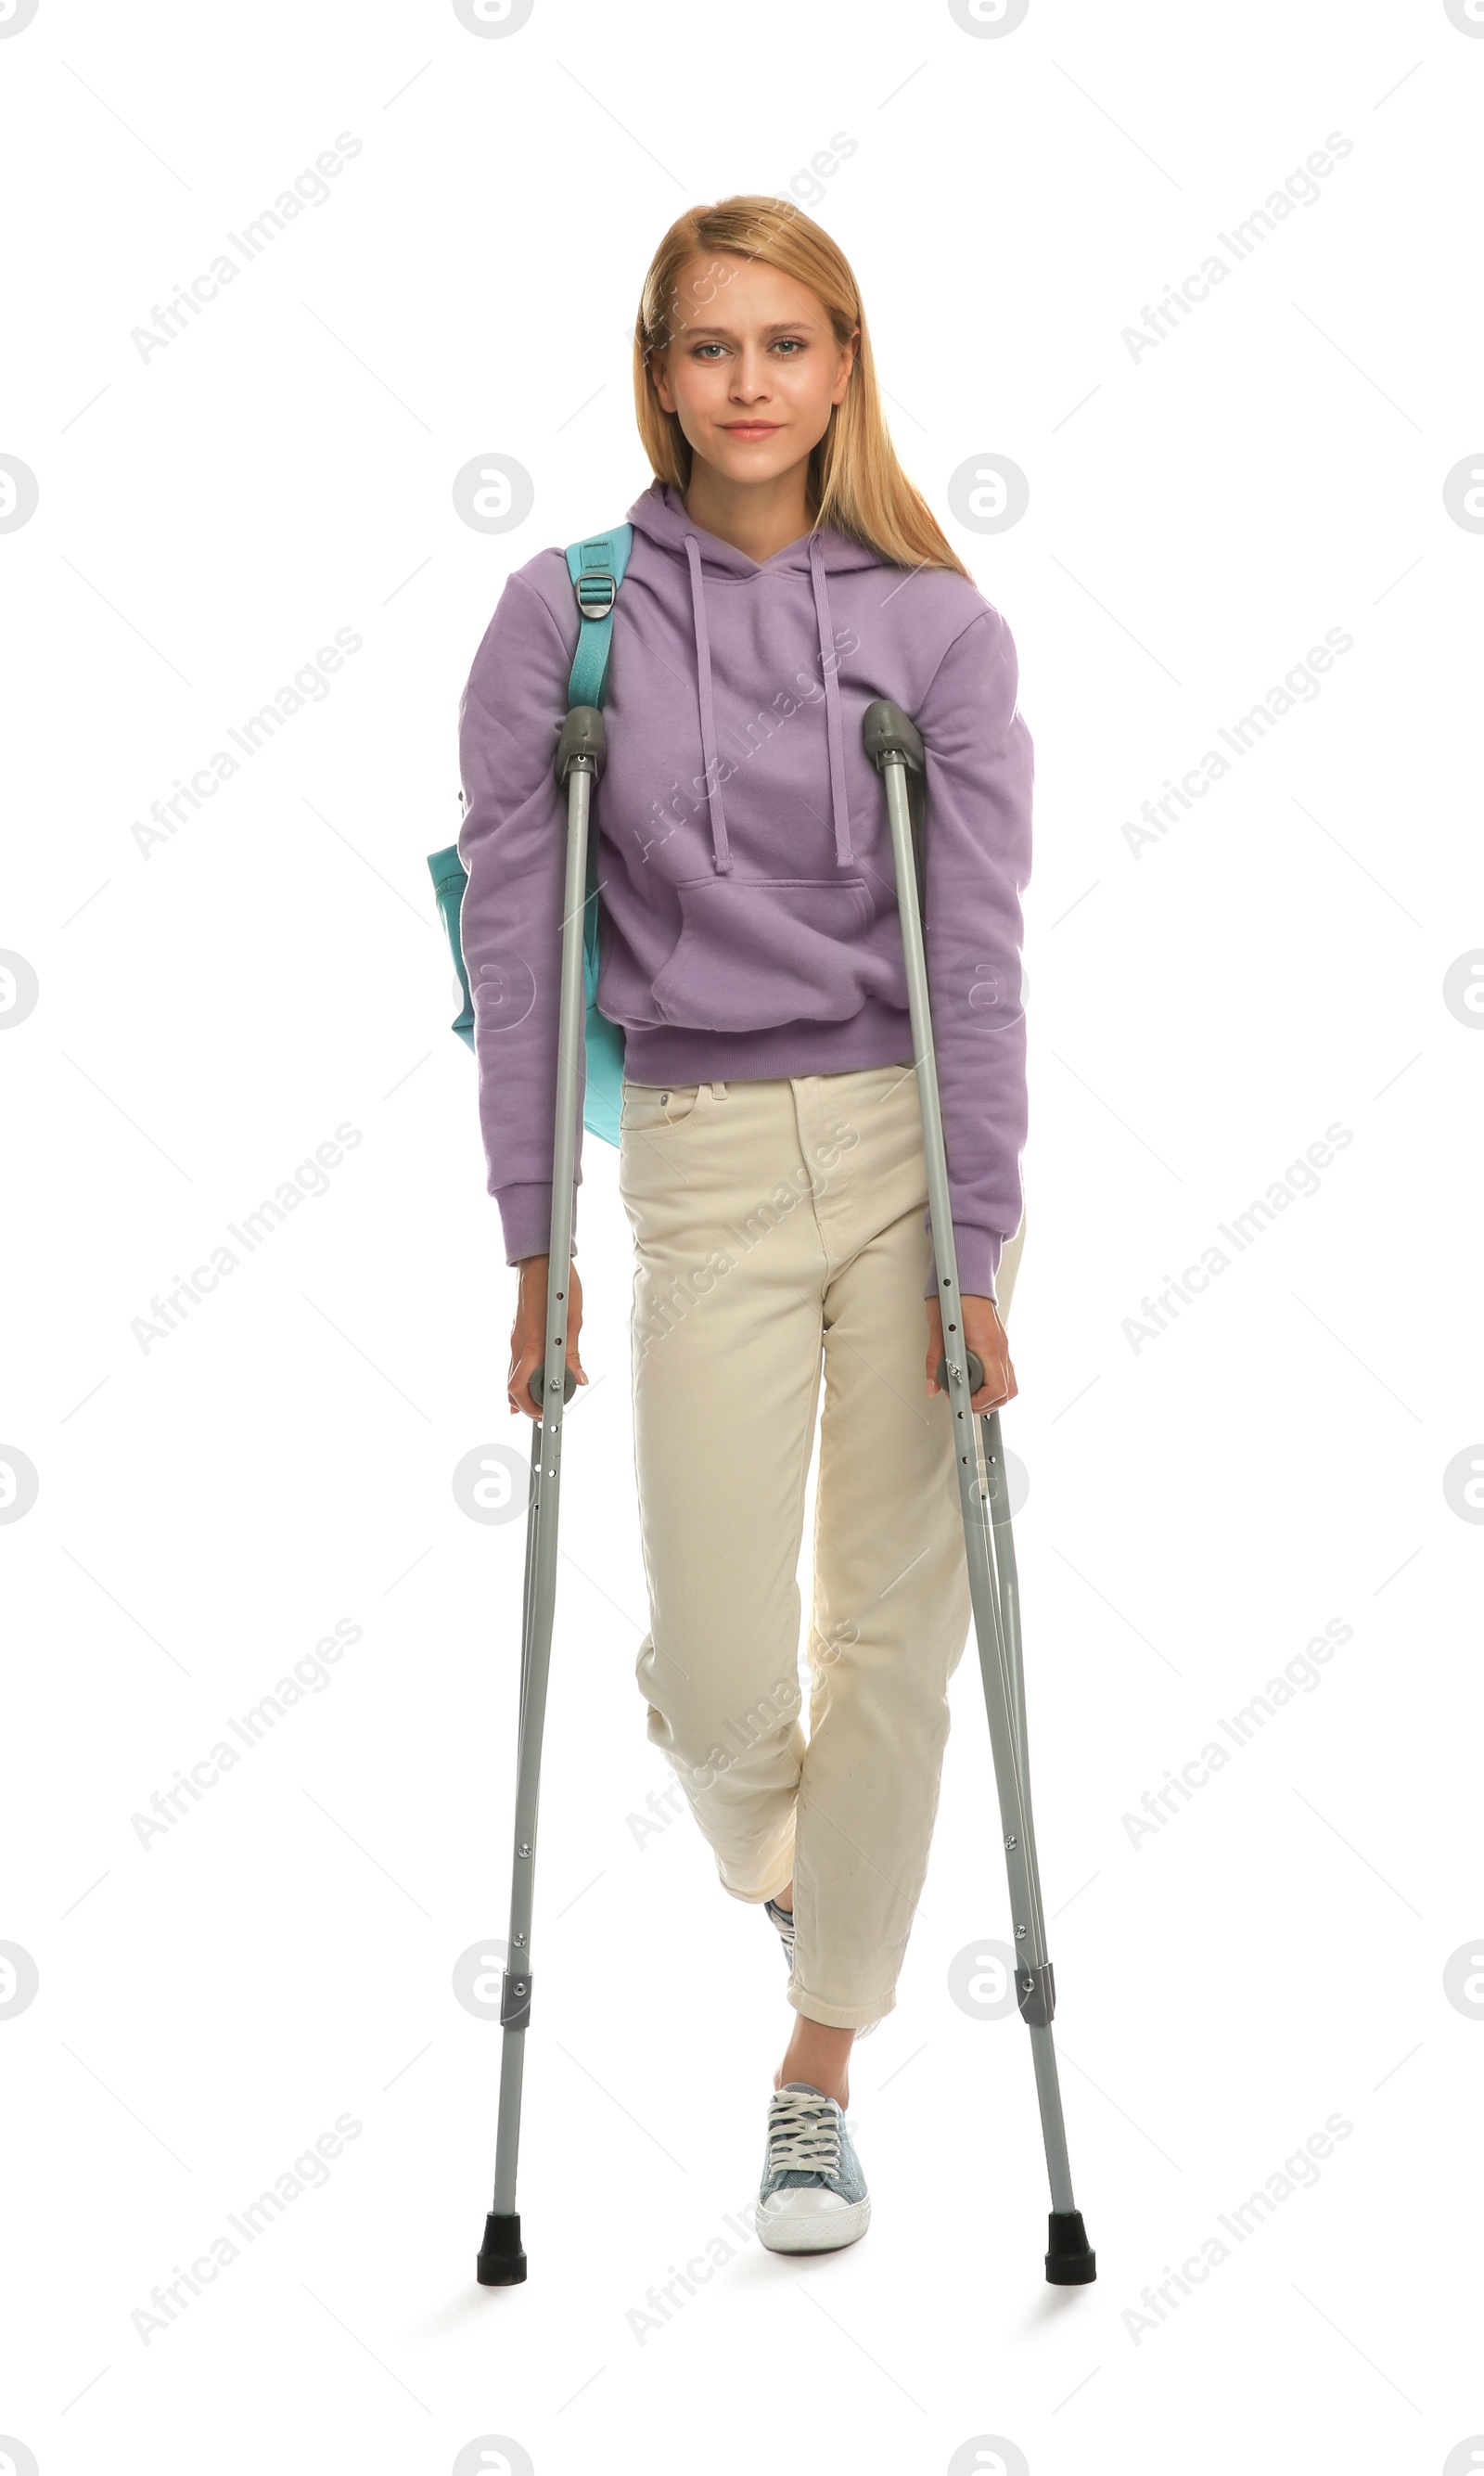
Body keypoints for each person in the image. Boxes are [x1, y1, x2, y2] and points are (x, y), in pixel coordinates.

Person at [457, 194, 1030, 2255]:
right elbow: (519, 942)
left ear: (844, 365)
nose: (748, 385)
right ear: (658, 370)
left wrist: (980, 1251)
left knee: (895, 1640)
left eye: (784, 346)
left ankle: (815, 2073)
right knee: (715, 1679)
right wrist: (536, 1238)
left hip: (909, 1153)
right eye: (710, 349)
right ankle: (806, 1870)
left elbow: (974, 957)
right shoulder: (567, 619)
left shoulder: (937, 634)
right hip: (694, 1151)